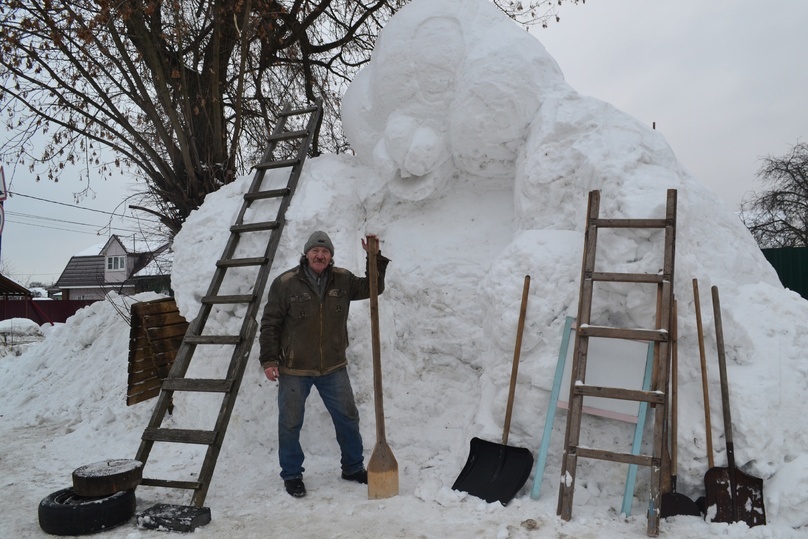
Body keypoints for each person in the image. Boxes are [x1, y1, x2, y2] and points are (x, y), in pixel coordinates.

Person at [258, 230, 390, 498]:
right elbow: (270, 323)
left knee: (348, 418)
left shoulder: (342, 279)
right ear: (306, 254)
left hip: (332, 366)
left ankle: (352, 467)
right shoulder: (285, 283)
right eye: (315, 251)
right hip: (295, 368)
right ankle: (292, 474)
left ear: (330, 256)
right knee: (290, 423)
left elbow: (373, 288)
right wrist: (269, 359)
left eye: (325, 251)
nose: (320, 255)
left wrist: (373, 258)